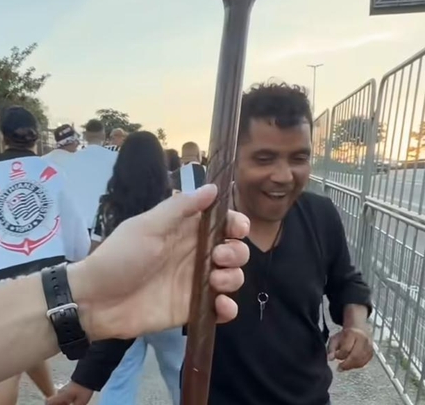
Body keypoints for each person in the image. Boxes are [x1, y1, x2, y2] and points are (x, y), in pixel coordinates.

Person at [52, 82, 374, 405]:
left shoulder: (321, 215)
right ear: (233, 157)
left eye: (298, 158)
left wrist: (355, 325)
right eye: (264, 159)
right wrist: (85, 380)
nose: (284, 175)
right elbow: (140, 302)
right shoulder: (198, 223)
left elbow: (347, 282)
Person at [0, 184, 252, 389]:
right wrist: (89, 295)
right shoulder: (168, 196)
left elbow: (91, 249)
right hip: (155, 310)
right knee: (176, 374)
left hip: (138, 309)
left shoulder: (109, 203)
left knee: (121, 381)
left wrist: (87, 291)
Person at [0, 106, 90, 405]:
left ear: (2, 137)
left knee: (20, 353)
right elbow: (79, 245)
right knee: (13, 364)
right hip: (47, 286)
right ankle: (54, 396)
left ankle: (52, 396)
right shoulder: (52, 173)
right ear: (35, 138)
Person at [76, 131, 185, 405]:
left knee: (118, 384)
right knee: (181, 381)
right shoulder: (176, 203)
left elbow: (95, 260)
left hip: (120, 307)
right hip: (167, 307)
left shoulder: (108, 207)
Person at [54, 119, 117, 236]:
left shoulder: (70, 160)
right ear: (103, 135)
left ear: (85, 136)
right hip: (106, 224)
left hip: (79, 226)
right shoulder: (116, 158)